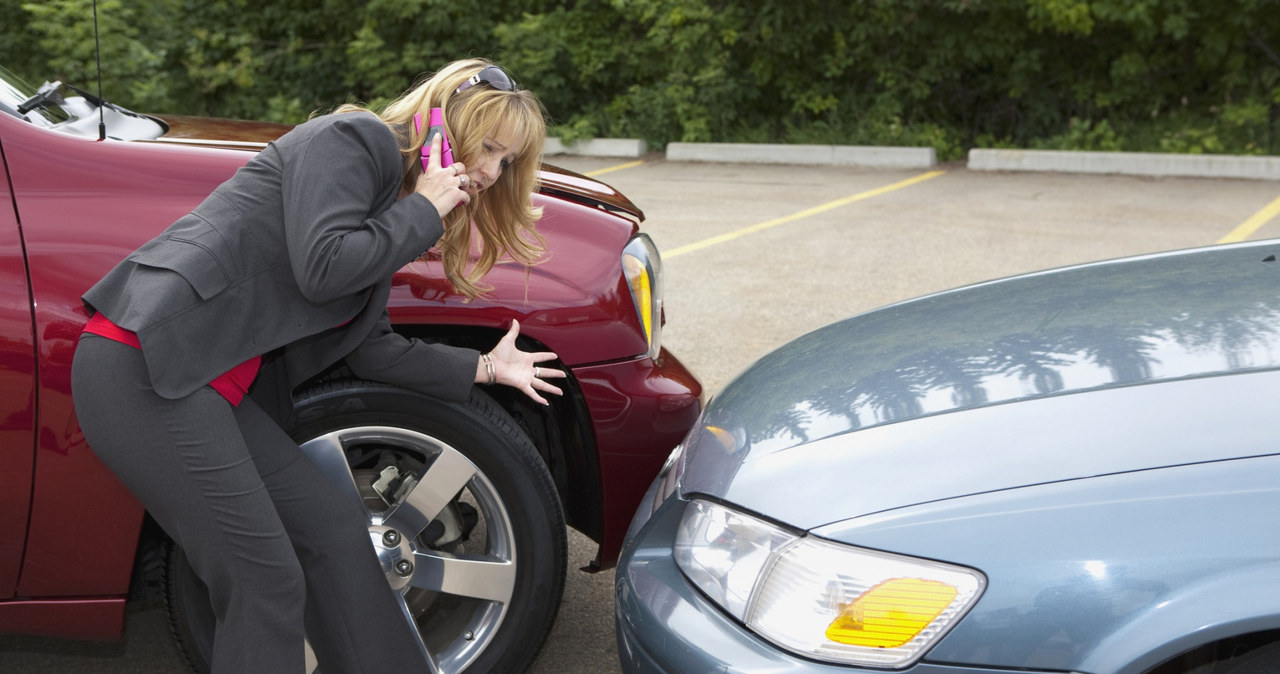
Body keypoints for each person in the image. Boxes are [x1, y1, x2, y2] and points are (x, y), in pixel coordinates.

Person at [70, 58, 562, 673]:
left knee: (332, 532)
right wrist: (425, 212)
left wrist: (486, 367)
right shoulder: (353, 141)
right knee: (265, 581)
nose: (491, 172)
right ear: (443, 123)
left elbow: (373, 347)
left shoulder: (390, 201)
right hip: (143, 368)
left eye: (507, 161)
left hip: (197, 387)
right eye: (488, 148)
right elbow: (323, 266)